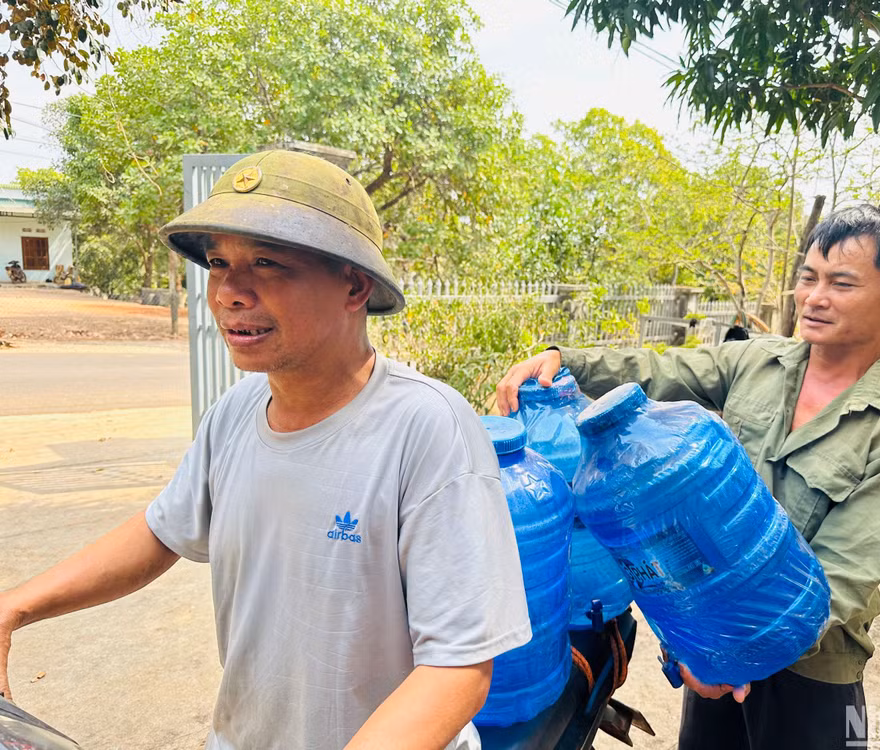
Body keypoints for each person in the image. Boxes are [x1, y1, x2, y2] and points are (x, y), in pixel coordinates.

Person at [0, 150, 532, 750]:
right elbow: (160, 532)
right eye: (220, 263)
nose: (230, 292)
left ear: (354, 284)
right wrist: (13, 607)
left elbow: (457, 669)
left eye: (267, 263)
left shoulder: (427, 428)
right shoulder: (235, 412)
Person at [496, 204, 880, 750]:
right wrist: (565, 358)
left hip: (808, 667)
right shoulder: (758, 363)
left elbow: (842, 581)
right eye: (809, 277)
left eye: (841, 283)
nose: (814, 297)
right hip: (710, 646)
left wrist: (731, 659)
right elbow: (660, 371)